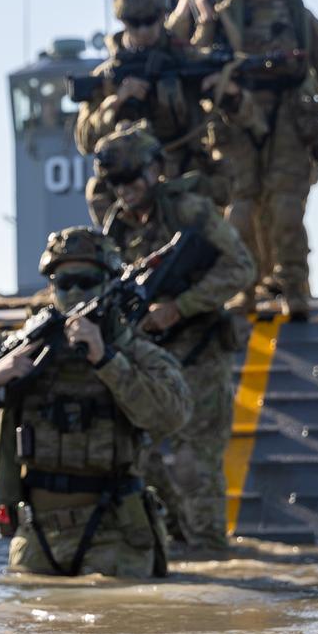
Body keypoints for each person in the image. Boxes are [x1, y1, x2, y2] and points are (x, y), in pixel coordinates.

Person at [0, 227, 191, 578]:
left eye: (86, 281)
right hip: (36, 535)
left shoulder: (135, 351)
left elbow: (173, 414)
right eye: (64, 283)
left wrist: (106, 360)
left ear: (108, 283)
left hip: (115, 534)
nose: (75, 292)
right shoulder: (23, 342)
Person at [96, 126, 254, 553]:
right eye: (115, 182)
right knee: (140, 458)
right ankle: (177, 547)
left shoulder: (190, 211)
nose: (124, 190)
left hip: (199, 350)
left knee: (193, 464)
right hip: (148, 356)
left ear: (154, 170)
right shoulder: (116, 228)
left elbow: (240, 267)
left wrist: (180, 306)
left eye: (130, 178)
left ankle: (210, 557)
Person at [192, 0, 318, 317]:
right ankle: (244, 288)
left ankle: (294, 288)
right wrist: (205, 24)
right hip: (238, 121)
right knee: (241, 209)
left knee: (286, 207)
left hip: (289, 119)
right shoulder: (224, 14)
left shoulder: (296, 12)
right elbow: (196, 59)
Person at [75, 0, 245, 225]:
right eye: (135, 23)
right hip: (129, 194)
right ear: (123, 23)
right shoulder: (108, 77)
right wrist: (116, 102)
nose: (144, 31)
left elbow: (242, 116)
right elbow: (85, 141)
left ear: (163, 16)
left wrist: (227, 92)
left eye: (150, 21)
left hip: (185, 181)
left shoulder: (185, 59)